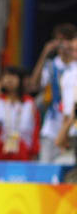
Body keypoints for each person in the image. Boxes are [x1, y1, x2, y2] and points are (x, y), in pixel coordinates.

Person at [29, 24, 77, 164]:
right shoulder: (51, 66)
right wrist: (45, 54)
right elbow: (33, 86)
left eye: (68, 40)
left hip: (73, 127)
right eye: (59, 40)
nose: (64, 45)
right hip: (53, 125)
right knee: (46, 169)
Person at [0, 66, 39, 160]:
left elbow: (35, 128)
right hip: (1, 149)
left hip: (23, 149)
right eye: (6, 76)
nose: (9, 79)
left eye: (13, 76)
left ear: (20, 80)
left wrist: (34, 151)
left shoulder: (29, 103)